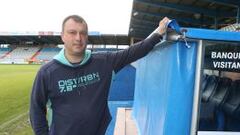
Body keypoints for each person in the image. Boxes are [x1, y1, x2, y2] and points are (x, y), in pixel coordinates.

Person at [30, 15, 170, 135]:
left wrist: (158, 32)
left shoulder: (104, 62)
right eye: (72, 32)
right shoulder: (47, 72)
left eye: (83, 33)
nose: (78, 38)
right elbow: (36, 110)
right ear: (63, 36)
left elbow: (133, 52)